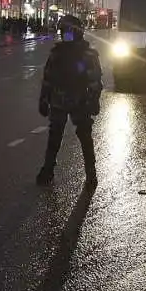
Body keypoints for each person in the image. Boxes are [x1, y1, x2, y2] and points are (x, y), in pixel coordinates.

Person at [36, 15, 103, 187]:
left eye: (68, 31)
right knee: (57, 137)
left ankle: (90, 174)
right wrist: (44, 98)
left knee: (82, 137)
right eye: (64, 31)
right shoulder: (60, 53)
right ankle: (50, 170)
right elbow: (48, 79)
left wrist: (93, 100)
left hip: (77, 101)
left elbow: (94, 81)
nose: (66, 34)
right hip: (66, 100)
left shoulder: (86, 54)